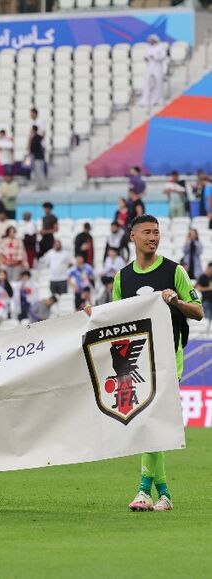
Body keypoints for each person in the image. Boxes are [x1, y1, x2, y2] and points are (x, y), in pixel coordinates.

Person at [104, 215, 203, 512]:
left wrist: (175, 302)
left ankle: (144, 491)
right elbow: (117, 319)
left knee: (149, 420)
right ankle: (165, 493)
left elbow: (198, 311)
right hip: (138, 360)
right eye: (147, 232)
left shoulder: (175, 271)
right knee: (148, 423)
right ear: (132, 236)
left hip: (169, 356)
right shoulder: (123, 277)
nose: (153, 237)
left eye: (157, 233)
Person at [141, 34, 168, 108]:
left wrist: (155, 57)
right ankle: (145, 100)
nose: (150, 41)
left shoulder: (160, 48)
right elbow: (145, 56)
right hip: (149, 67)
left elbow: (163, 56)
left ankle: (157, 100)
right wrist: (146, 58)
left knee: (158, 83)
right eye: (150, 40)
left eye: (152, 40)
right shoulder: (147, 48)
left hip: (157, 67)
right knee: (147, 83)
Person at [28, 126, 47, 190]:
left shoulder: (37, 137)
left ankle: (43, 186)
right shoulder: (33, 137)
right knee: (36, 172)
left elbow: (42, 138)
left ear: (33, 130)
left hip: (38, 157)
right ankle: (38, 186)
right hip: (35, 157)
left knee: (39, 172)